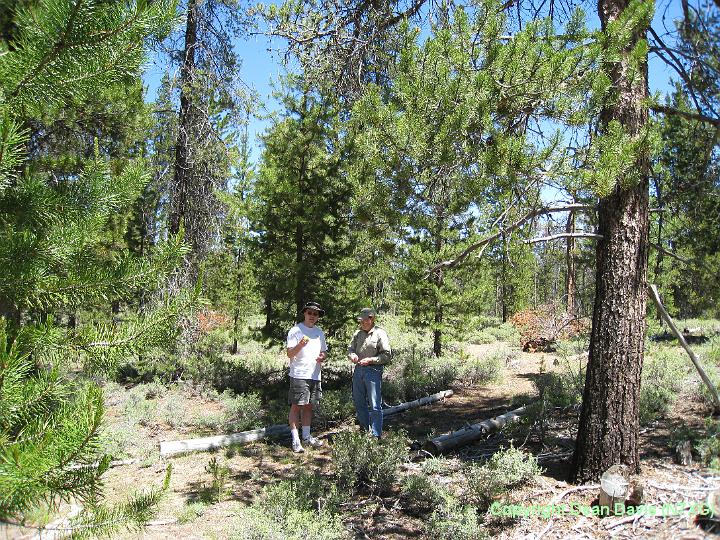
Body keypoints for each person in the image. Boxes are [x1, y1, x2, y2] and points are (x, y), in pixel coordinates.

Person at [286, 301, 328, 453]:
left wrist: (322, 357)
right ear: (304, 313)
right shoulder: (296, 330)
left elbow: (324, 352)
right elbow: (289, 353)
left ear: (318, 317)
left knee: (309, 406)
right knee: (296, 406)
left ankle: (306, 436)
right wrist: (300, 346)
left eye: (315, 314)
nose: (312, 316)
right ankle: (295, 440)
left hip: (315, 375)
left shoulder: (319, 332)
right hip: (299, 375)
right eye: (309, 313)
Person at [347, 308, 392, 438]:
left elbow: (387, 355)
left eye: (365, 320)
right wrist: (353, 356)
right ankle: (364, 430)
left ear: (372, 319)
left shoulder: (380, 333)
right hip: (358, 370)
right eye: (361, 320)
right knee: (359, 401)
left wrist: (371, 360)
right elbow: (350, 350)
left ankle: (376, 434)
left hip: (373, 370)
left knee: (375, 404)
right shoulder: (357, 333)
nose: (362, 322)